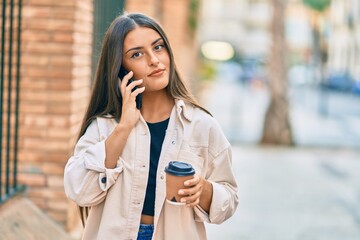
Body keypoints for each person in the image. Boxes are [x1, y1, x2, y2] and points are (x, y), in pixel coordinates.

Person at [63, 12, 238, 240]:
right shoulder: (104, 127)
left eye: (158, 47)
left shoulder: (202, 126)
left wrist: (204, 190)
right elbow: (79, 190)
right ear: (121, 69)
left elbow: (230, 198)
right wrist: (124, 127)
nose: (154, 60)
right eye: (137, 54)